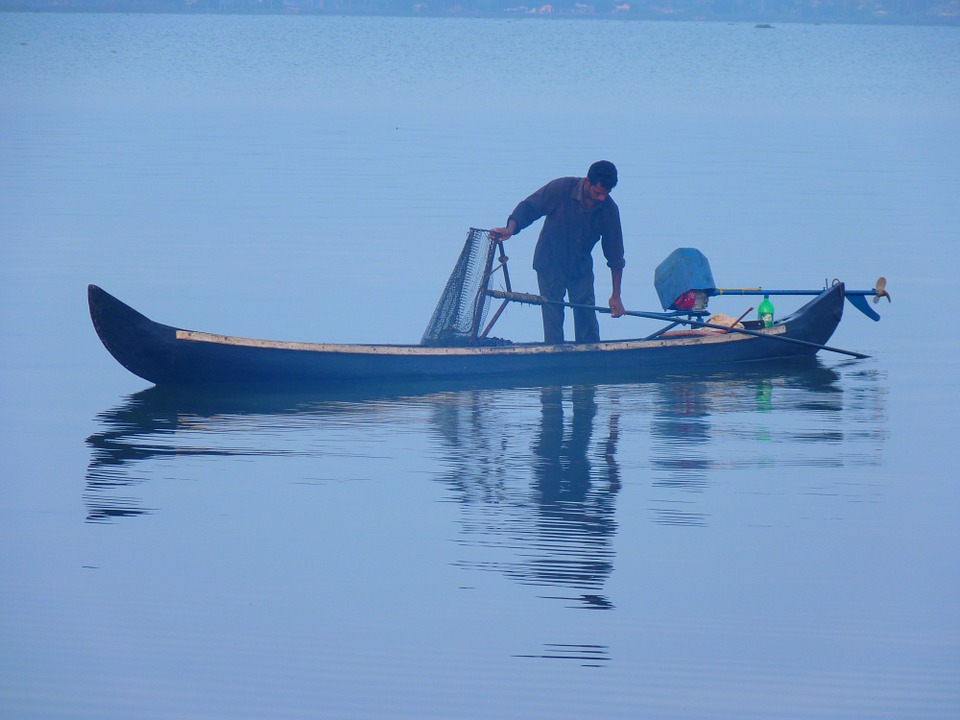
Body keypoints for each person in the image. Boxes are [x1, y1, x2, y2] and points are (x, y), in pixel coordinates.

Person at [489, 160, 626, 345]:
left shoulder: (609, 210)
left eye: (606, 194)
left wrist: (616, 295)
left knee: (586, 313)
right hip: (550, 262)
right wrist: (510, 229)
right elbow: (529, 208)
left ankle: (590, 362)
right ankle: (555, 360)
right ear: (587, 182)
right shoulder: (561, 189)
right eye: (597, 192)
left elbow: (615, 256)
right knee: (553, 312)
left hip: (580, 267)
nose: (601, 198)